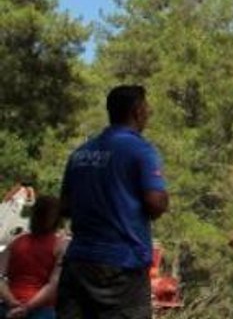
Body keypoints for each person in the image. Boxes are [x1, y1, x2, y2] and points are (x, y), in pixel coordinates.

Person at [57, 85, 168, 319]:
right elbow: (155, 203)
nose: (148, 113)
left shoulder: (80, 153)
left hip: (79, 263)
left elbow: (64, 207)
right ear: (137, 111)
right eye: (147, 108)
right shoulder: (141, 150)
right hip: (122, 268)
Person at [0, 196, 67, 319]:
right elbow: (53, 285)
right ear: (58, 220)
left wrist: (11, 301)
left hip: (9, 307)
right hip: (42, 309)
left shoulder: (16, 241)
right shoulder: (60, 246)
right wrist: (26, 308)